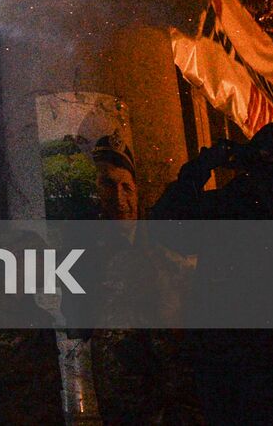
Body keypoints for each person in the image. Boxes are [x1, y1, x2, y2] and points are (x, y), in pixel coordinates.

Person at [150, 123, 273, 426]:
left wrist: (202, 167)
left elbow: (166, 224)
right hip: (272, 360)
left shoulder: (232, 205)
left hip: (224, 357)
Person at [83, 132, 201, 426]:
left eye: (127, 187)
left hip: (165, 407)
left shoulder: (165, 256)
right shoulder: (86, 260)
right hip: (121, 405)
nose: (120, 198)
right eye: (108, 185)